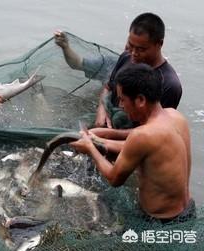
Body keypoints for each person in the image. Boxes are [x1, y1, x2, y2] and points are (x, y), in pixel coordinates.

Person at [70, 63, 194, 223]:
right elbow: (143, 144)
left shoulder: (142, 136)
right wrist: (102, 136)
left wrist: (89, 148)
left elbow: (114, 178)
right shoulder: (176, 117)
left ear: (141, 100)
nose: (121, 106)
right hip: (187, 211)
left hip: (160, 222)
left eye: (122, 99)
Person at [55, 12, 182, 131]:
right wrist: (102, 110)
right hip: (108, 124)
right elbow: (108, 87)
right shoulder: (127, 57)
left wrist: (103, 135)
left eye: (141, 49)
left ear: (159, 44)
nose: (134, 54)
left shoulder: (169, 85)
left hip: (132, 141)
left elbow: (154, 132)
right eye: (131, 46)